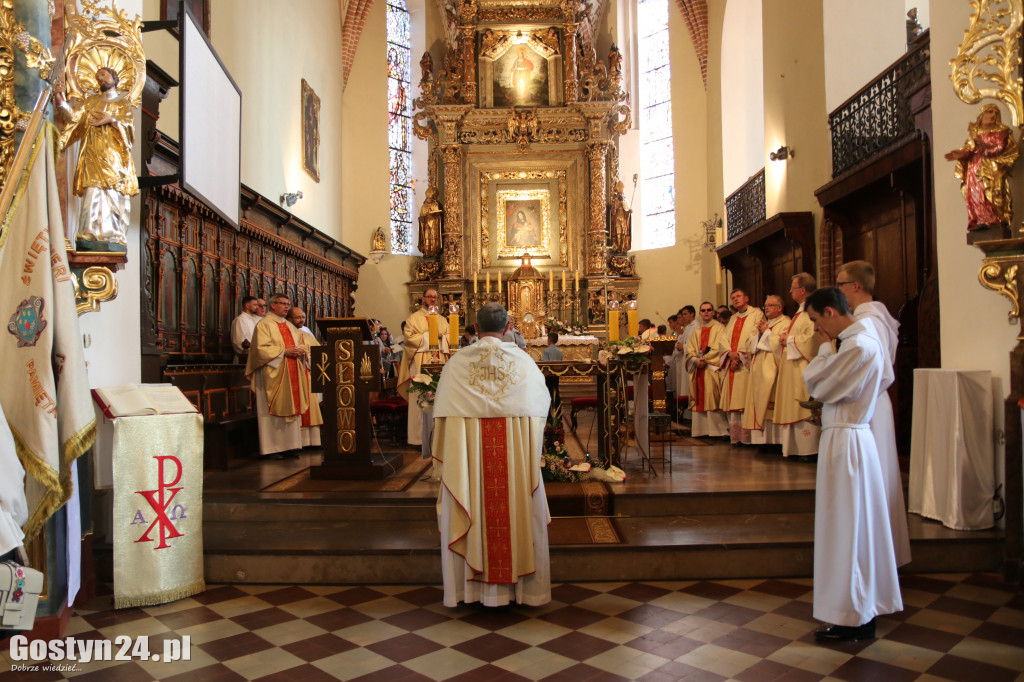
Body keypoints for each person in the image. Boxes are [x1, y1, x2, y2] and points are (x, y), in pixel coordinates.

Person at [432, 302, 552, 607]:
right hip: (513, 462)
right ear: (509, 326)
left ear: (475, 326)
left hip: (468, 464)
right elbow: (540, 412)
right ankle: (523, 592)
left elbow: (442, 419)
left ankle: (467, 591)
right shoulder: (524, 363)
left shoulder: (457, 364)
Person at [803, 286, 902, 642]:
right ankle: (860, 608)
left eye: (816, 320)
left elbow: (820, 385)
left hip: (847, 443)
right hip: (850, 437)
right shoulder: (864, 341)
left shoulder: (858, 344)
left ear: (830, 311)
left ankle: (851, 615)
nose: (816, 329)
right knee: (856, 527)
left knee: (846, 527)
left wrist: (825, 352)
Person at [836, 260, 912, 567]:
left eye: (840, 284)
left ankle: (876, 557)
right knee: (880, 476)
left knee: (874, 479)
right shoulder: (879, 317)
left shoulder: (866, 323)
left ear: (855, 286)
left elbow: (875, 373)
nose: (837, 290)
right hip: (874, 403)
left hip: (866, 406)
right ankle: (883, 553)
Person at [56, 66, 138, 246]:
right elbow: (73, 119)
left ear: (114, 78)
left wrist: (112, 119)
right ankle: (88, 233)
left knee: (112, 193)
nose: (100, 79)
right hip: (92, 154)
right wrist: (61, 101)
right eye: (97, 77)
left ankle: (113, 234)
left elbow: (130, 132)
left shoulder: (122, 104)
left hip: (113, 156)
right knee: (92, 192)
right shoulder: (90, 102)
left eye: (104, 74)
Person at [246, 294, 321, 459]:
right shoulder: (264, 324)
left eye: (288, 304)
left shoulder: (289, 325)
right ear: (273, 305)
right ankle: (272, 448)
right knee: (271, 410)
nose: (287, 307)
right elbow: (259, 349)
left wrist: (302, 352)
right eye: (283, 304)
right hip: (273, 373)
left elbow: (301, 343)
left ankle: (290, 446)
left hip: (292, 369)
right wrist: (284, 352)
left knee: (292, 408)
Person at [945, 103, 1019, 232]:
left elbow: (999, 148)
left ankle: (996, 218)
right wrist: (960, 154)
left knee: (992, 192)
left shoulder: (1002, 132)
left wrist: (984, 148)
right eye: (990, 112)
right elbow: (970, 149)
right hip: (975, 168)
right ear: (982, 115)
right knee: (976, 193)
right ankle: (980, 220)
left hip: (992, 168)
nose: (993, 115)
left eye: (996, 113)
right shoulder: (975, 132)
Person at [774, 273, 820, 461]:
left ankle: (808, 450)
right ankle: (797, 450)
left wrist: (789, 339)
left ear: (802, 290)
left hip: (804, 368)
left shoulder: (812, 311)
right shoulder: (801, 312)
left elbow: (814, 340)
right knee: (794, 406)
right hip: (794, 367)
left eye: (792, 288)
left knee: (803, 408)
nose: (790, 291)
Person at [397, 289, 450, 446]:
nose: (433, 300)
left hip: (440, 362)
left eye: (435, 297)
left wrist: (443, 337)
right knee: (420, 397)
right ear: (423, 299)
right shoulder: (413, 319)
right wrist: (431, 336)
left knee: (440, 397)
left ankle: (440, 439)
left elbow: (449, 337)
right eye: (430, 297)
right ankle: (419, 439)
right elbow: (409, 339)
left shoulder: (442, 319)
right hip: (421, 362)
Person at [717, 289, 765, 445]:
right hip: (733, 363)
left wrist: (740, 354)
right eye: (733, 298)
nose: (735, 300)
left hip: (745, 365)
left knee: (746, 400)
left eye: (738, 296)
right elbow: (723, 338)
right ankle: (737, 438)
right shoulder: (733, 318)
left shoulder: (756, 314)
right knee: (734, 402)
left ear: (746, 298)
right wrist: (730, 353)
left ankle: (748, 439)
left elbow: (755, 335)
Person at [742, 295, 790, 445]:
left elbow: (781, 344)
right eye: (765, 305)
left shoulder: (786, 323)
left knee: (771, 404)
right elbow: (749, 343)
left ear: (779, 308)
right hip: (759, 371)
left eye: (770, 305)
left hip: (773, 370)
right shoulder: (763, 324)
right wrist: (761, 333)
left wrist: (766, 333)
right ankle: (762, 441)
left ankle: (775, 441)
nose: (766, 308)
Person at [686, 302, 727, 437]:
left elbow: (719, 346)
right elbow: (690, 349)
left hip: (712, 369)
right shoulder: (697, 332)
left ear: (713, 312)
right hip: (699, 369)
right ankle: (701, 431)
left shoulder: (720, 328)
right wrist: (695, 360)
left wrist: (705, 359)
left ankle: (718, 432)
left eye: (709, 310)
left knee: (712, 396)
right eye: (703, 310)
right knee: (700, 397)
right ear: (700, 313)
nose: (706, 312)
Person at [286, 306, 324, 448]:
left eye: (303, 317)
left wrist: (307, 355)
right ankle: (296, 443)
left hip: (307, 376)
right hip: (292, 377)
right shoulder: (286, 334)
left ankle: (311, 442)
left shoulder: (307, 335)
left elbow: (318, 353)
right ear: (289, 319)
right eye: (298, 317)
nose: (301, 319)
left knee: (311, 408)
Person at [230, 296, 261, 363]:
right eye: (255, 305)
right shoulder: (240, 320)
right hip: (245, 359)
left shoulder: (255, 319)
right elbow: (238, 343)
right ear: (247, 305)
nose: (257, 307)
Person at [418, 187, 443, 257]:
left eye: (430, 198)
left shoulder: (435, 205)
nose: (428, 199)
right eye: (427, 198)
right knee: (426, 238)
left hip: (434, 226)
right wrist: (421, 219)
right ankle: (426, 251)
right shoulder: (423, 206)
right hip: (426, 226)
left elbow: (438, 217)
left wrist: (434, 214)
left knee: (433, 239)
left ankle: (434, 251)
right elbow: (421, 216)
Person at [610, 180, 632, 253]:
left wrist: (629, 212)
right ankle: (618, 247)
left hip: (624, 220)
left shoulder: (626, 201)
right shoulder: (614, 201)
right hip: (617, 220)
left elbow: (628, 210)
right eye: (618, 193)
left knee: (624, 234)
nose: (620, 194)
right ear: (617, 193)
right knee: (618, 234)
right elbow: (612, 213)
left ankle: (623, 247)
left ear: (622, 193)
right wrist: (613, 208)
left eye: (621, 193)